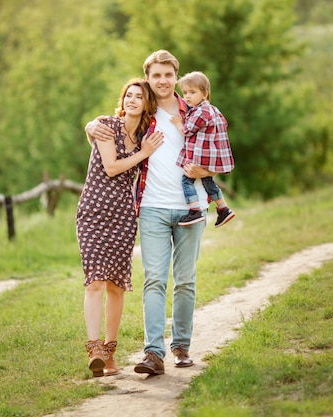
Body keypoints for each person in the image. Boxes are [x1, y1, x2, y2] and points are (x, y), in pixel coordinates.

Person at [86, 50, 216, 375]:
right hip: (153, 207)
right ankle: (153, 354)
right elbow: (113, 125)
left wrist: (206, 168)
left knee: (185, 280)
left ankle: (181, 346)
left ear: (176, 76)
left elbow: (220, 149)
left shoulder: (197, 110)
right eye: (156, 75)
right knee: (154, 280)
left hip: (191, 207)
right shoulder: (143, 112)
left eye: (168, 75)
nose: (162, 81)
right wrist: (91, 126)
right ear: (148, 78)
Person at [76, 78, 163, 377]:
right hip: (93, 212)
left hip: (124, 217)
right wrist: (143, 154)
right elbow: (112, 166)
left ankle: (110, 353)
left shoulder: (145, 137)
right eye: (128, 94)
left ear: (146, 104)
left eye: (139, 96)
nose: (132, 100)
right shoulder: (105, 125)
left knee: (116, 286)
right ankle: (94, 349)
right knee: (95, 281)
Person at [171, 71, 235, 228]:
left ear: (205, 93)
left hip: (200, 156)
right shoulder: (213, 110)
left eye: (192, 92)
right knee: (208, 181)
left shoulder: (201, 111)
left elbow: (187, 130)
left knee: (186, 180)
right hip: (210, 155)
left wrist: (178, 122)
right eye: (185, 92)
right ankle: (223, 208)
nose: (187, 96)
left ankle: (194, 210)